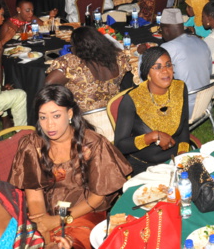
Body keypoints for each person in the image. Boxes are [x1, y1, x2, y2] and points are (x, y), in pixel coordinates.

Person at [10, 85, 132, 247]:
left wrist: (58, 220)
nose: (49, 125)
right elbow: (34, 197)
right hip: (42, 214)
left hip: (83, 213)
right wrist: (44, 233)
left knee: (71, 244)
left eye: (56, 116)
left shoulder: (93, 145)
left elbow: (96, 198)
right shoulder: (32, 146)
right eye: (43, 117)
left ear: (69, 114)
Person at [114, 47, 190, 175]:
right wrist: (153, 136)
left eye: (168, 65)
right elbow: (120, 145)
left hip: (175, 161)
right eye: (158, 67)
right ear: (147, 73)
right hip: (145, 167)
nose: (165, 71)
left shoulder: (180, 88)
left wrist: (182, 156)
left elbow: (184, 128)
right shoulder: (133, 99)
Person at [45, 26, 134, 112]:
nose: (71, 50)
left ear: (78, 47)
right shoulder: (119, 58)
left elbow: (48, 84)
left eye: (72, 46)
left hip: (85, 120)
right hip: (113, 113)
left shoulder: (72, 63)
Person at [152, 8, 211, 117]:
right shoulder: (201, 42)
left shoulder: (167, 49)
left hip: (184, 108)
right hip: (205, 103)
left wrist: (144, 55)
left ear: (166, 30)